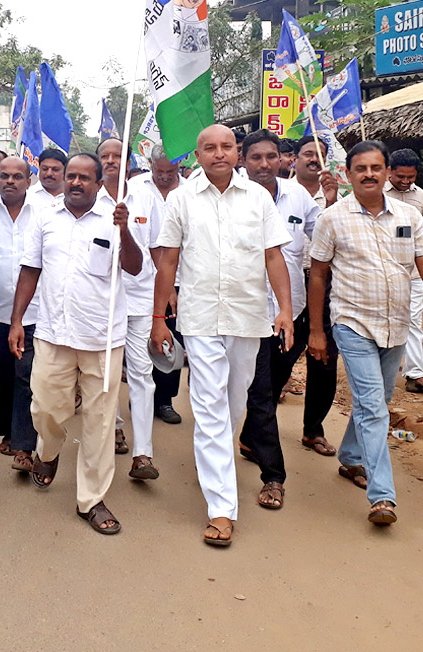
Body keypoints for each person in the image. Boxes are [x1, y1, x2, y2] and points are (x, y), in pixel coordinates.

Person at [151, 125, 294, 547]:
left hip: (249, 317)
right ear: (197, 155)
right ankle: (221, 508)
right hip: (199, 318)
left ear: (237, 152)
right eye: (209, 148)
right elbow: (167, 261)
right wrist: (159, 317)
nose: (218, 154)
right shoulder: (181, 199)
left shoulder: (259, 199)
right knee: (210, 407)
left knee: (233, 406)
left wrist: (284, 310)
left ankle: (214, 464)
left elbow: (273, 255)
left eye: (226, 147)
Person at [308, 140, 423, 526]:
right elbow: (319, 276)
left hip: (397, 324)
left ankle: (351, 457)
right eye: (361, 169)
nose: (369, 174)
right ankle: (383, 497)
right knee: (375, 407)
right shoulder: (332, 219)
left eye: (376, 168)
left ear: (387, 173)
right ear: (348, 174)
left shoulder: (410, 216)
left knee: (377, 398)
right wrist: (317, 331)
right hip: (353, 323)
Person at [10, 153, 142, 535]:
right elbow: (30, 269)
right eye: (72, 176)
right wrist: (17, 320)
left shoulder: (115, 216)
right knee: (46, 407)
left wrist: (125, 232)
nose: (76, 183)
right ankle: (48, 451)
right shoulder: (45, 217)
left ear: (100, 183)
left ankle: (92, 500)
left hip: (102, 337)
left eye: (86, 177)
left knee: (100, 421)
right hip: (53, 333)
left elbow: (133, 267)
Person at [239, 131, 336, 458]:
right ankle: (269, 464)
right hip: (242, 310)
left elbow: (322, 236)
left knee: (274, 380)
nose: (265, 164)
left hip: (287, 311)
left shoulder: (297, 196)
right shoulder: (230, 196)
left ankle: (251, 438)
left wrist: (332, 204)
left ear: (282, 159)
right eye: (256, 157)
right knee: (255, 386)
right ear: (244, 160)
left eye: (271, 156)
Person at [98, 138, 164, 480]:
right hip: (99, 303)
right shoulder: (87, 200)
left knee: (141, 375)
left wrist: (162, 308)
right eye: (105, 156)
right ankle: (115, 428)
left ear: (128, 162)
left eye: (117, 156)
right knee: (106, 375)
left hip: (139, 300)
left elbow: (159, 253)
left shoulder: (147, 200)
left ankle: (143, 454)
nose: (111, 161)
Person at [0, 156, 40, 472]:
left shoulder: (44, 212)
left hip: (34, 311)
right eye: (4, 176)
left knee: (25, 374)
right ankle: (6, 430)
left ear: (29, 180)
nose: (10, 181)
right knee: (5, 371)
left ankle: (24, 444)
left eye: (18, 176)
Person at [132, 145, 185, 424]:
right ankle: (140, 396)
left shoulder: (190, 191)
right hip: (141, 280)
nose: (164, 177)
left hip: (180, 280)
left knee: (170, 339)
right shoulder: (135, 188)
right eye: (159, 171)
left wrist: (171, 287)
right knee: (141, 341)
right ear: (150, 166)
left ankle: (164, 400)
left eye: (171, 172)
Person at [386, 148, 423, 395]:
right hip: (383, 267)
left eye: (410, 177)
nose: (406, 182)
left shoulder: (419, 195)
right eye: (400, 177)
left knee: (412, 320)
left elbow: (411, 229)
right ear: (389, 171)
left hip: (412, 267)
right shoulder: (375, 192)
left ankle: (415, 375)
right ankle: (379, 373)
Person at [293, 136, 338, 209]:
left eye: (320, 156)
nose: (314, 159)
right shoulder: (281, 193)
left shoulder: (335, 195)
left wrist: (331, 202)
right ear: (294, 160)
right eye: (308, 154)